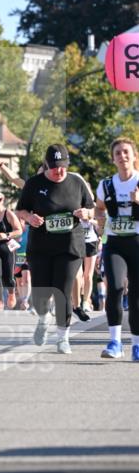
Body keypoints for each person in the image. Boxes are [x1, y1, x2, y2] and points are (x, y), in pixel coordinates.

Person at [16, 144, 95, 354]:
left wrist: (86, 214)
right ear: (46, 165)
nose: (58, 171)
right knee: (40, 294)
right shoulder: (34, 184)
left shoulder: (77, 182)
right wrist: (29, 217)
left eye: (62, 166)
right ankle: (43, 319)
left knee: (62, 290)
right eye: (54, 167)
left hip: (70, 247)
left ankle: (62, 338)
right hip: (41, 248)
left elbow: (91, 208)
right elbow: (20, 210)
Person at [94, 137, 139, 361]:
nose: (122, 156)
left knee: (137, 295)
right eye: (118, 153)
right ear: (113, 159)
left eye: (126, 152)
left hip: (137, 243)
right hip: (114, 243)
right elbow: (99, 208)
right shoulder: (106, 185)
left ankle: (137, 345)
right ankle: (115, 342)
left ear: (134, 156)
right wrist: (100, 224)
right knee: (115, 287)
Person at [0, 192, 23, 310]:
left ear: (3, 200)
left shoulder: (8, 213)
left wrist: (7, 234)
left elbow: (19, 230)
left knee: (8, 277)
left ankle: (11, 293)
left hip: (7, 248)